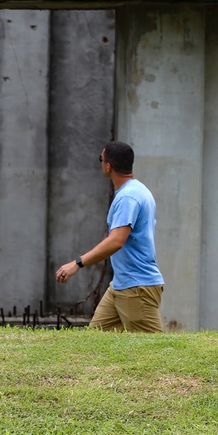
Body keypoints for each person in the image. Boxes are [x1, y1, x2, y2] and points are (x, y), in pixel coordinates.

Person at [55, 141, 165, 333]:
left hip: (136, 288)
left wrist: (77, 263)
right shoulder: (138, 190)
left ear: (108, 166)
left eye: (101, 159)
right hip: (121, 285)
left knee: (155, 350)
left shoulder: (128, 198)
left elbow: (116, 241)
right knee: (95, 342)